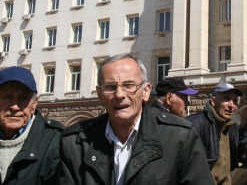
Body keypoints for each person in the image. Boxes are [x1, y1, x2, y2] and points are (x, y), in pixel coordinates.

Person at [57, 53, 215, 185]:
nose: (120, 94)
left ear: (146, 92)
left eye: (128, 85)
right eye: (110, 87)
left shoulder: (180, 136)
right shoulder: (75, 142)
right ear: (100, 94)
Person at [186, 82, 247, 185]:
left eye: (234, 101)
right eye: (226, 99)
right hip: (204, 181)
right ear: (213, 101)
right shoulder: (195, 124)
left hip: (227, 180)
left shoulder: (234, 127)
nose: (231, 105)